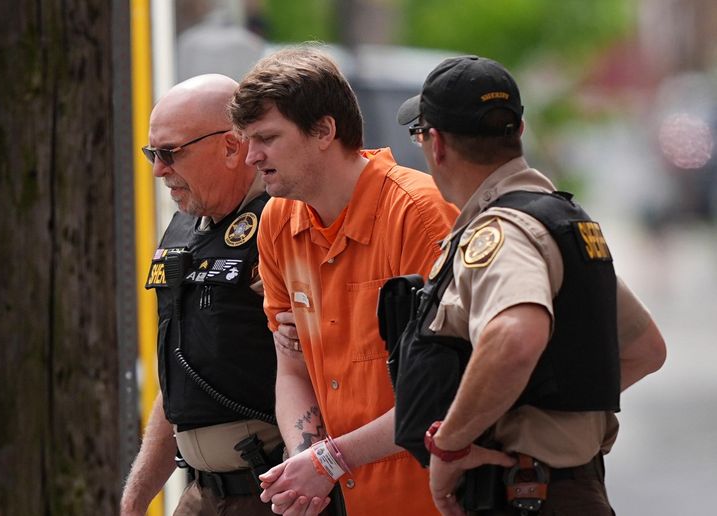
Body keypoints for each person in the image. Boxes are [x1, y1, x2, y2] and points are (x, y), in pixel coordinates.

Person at [394, 55, 667, 515]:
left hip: (524, 495)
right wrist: (546, 408)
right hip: (568, 488)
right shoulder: (559, 222)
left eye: (419, 134)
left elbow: (516, 337)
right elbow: (646, 349)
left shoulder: (502, 232)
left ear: (435, 144)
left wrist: (450, 446)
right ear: (518, 131)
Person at [227, 46, 459, 515]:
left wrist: (327, 461)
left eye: (267, 137)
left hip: (431, 500)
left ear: (324, 131)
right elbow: (291, 370)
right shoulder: (277, 221)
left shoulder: (419, 213)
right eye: (247, 139)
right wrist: (305, 465)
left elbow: (445, 393)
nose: (251, 156)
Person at [120, 74, 283, 516]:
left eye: (170, 152)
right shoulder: (185, 225)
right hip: (201, 493)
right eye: (153, 153)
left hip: (271, 491)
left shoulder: (282, 221)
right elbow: (183, 373)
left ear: (231, 147)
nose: (158, 169)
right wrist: (135, 498)